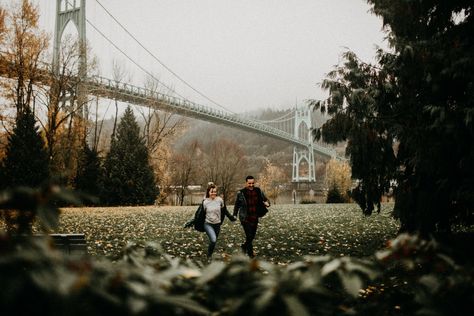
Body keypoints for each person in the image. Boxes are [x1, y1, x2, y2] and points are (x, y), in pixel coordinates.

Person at [233, 175, 270, 258]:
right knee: (249, 235)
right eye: (249, 183)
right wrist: (235, 215)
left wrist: (267, 203)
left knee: (252, 236)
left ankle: (244, 246)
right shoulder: (241, 193)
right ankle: (250, 254)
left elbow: (266, 200)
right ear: (246, 183)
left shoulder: (258, 191)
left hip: (255, 217)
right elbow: (237, 205)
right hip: (245, 217)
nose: (251, 185)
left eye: (253, 183)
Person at [202, 183, 236, 260]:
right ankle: (209, 256)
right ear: (208, 192)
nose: (213, 193)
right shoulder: (205, 202)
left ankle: (209, 252)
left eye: (215, 191)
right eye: (212, 191)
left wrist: (231, 217)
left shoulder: (220, 200)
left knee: (213, 241)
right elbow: (201, 214)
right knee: (213, 240)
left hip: (217, 224)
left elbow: (225, 211)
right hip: (208, 224)